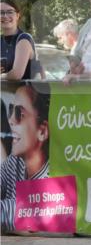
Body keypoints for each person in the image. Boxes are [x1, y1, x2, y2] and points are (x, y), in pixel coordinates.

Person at [1, 82, 50, 233]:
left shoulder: (51, 177)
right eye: (11, 111)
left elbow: (27, 215)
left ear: (42, 132)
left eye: (20, 114)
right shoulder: (16, 162)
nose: (11, 120)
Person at [1, 0, 43, 81]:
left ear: (17, 15)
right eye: (1, 12)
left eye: (10, 12)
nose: (5, 16)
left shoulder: (23, 39)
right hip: (5, 92)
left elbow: (16, 75)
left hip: (25, 92)